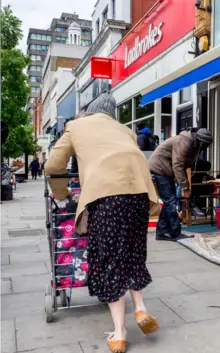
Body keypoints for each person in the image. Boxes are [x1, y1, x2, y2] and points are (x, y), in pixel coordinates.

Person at [45, 93, 160, 353]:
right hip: (139, 193)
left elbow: (53, 165)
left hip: (107, 197)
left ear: (90, 111)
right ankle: (140, 308)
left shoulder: (75, 126)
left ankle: (119, 334)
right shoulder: (125, 130)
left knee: (107, 260)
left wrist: (62, 195)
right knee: (132, 252)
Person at [149, 127, 213, 241]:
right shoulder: (184, 142)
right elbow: (178, 165)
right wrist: (184, 187)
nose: (205, 148)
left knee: (169, 201)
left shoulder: (193, 145)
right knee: (171, 202)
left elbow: (183, 165)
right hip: (159, 168)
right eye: (205, 146)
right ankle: (175, 233)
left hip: (166, 169)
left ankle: (162, 232)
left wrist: (185, 184)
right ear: (201, 142)